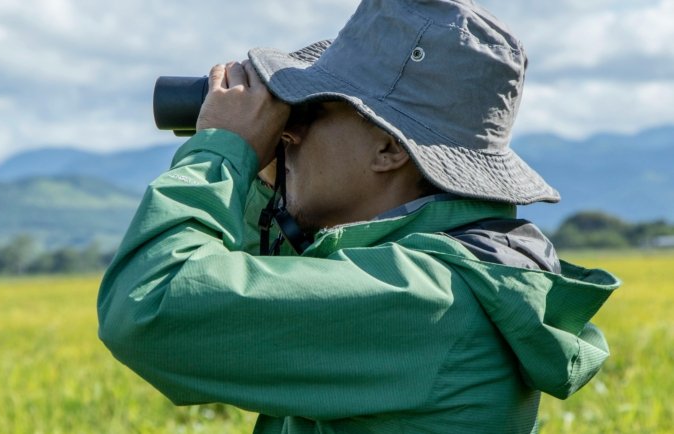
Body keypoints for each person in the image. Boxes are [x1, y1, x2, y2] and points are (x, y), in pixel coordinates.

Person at [97, 1, 620, 433]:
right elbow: (259, 278)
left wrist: (222, 150)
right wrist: (267, 186)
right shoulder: (437, 274)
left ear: (389, 147)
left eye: (307, 112)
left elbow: (152, 306)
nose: (288, 133)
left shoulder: (427, 300)